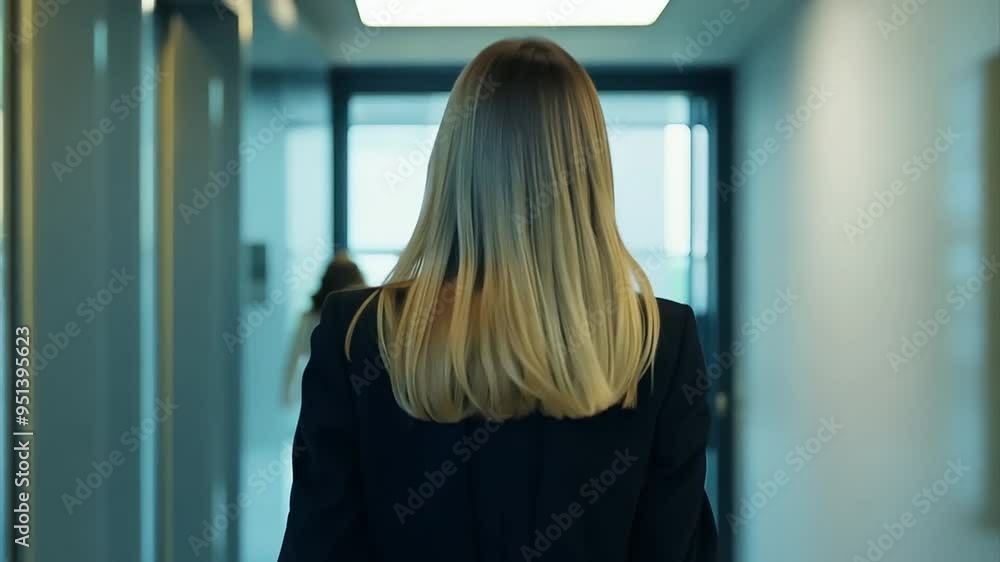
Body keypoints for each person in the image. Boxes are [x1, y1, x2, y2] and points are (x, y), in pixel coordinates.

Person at [279, 38, 717, 562]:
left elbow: (317, 546)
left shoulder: (360, 335)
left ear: (454, 164)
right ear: (591, 171)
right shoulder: (656, 341)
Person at [282, 252, 365, 406]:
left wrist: (287, 396)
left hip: (324, 391)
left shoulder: (311, 317)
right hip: (361, 390)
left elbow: (294, 358)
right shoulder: (365, 316)